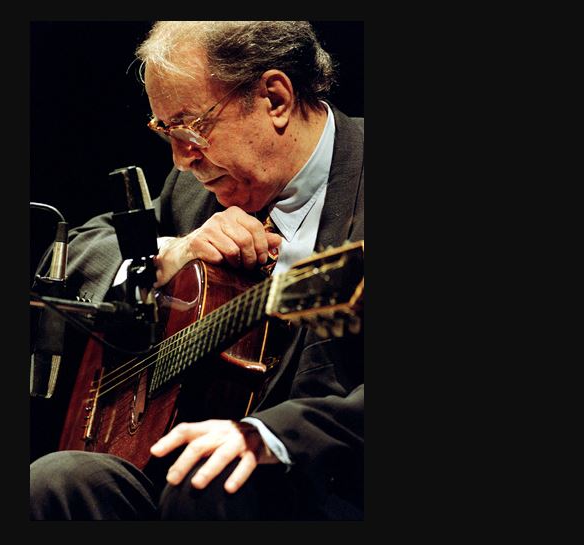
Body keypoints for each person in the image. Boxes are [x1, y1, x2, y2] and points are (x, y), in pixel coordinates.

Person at [30, 20, 364, 520]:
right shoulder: (194, 191)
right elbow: (74, 251)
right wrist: (171, 253)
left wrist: (270, 435)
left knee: (211, 486)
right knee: (57, 481)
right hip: (179, 472)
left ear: (275, 99)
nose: (181, 160)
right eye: (166, 131)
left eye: (190, 128)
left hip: (323, 476)